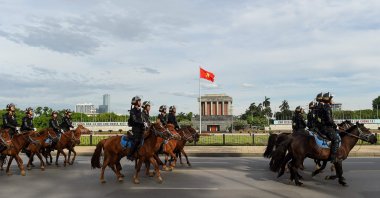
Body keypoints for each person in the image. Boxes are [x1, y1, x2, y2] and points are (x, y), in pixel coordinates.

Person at [320, 92, 340, 163]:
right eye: (331, 99)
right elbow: (329, 120)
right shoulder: (327, 107)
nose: (332, 101)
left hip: (324, 127)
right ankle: (333, 157)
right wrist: (335, 126)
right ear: (328, 100)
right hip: (327, 128)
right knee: (336, 139)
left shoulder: (324, 106)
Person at [127, 96, 147, 161]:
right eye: (139, 101)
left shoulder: (140, 110)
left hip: (141, 129)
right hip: (136, 130)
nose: (140, 102)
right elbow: (135, 120)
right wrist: (142, 123)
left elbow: (142, 119)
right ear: (136, 102)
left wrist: (145, 123)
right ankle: (130, 154)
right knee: (137, 141)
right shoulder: (132, 111)